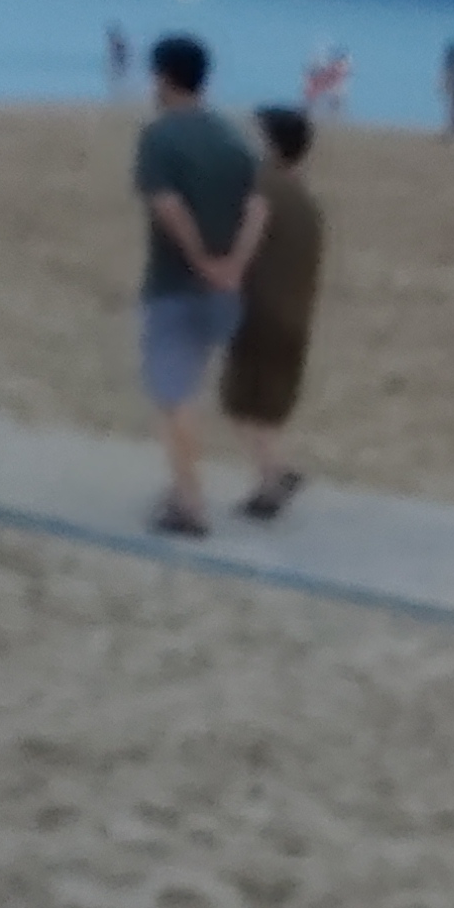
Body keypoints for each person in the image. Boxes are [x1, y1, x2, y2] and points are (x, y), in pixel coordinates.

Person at [129, 33, 268, 536]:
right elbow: (257, 207)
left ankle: (189, 504)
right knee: (191, 387)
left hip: (177, 284)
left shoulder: (160, 137)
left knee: (175, 397)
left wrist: (203, 261)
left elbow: (168, 206)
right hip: (226, 290)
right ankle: (182, 486)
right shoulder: (233, 138)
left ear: (164, 77)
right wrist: (234, 265)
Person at [220, 106, 328, 521]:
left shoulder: (263, 189)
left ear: (271, 144)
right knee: (266, 404)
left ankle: (273, 478)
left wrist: (224, 278)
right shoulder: (305, 199)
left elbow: (246, 246)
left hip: (261, 311)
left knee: (242, 403)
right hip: (295, 313)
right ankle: (276, 470)